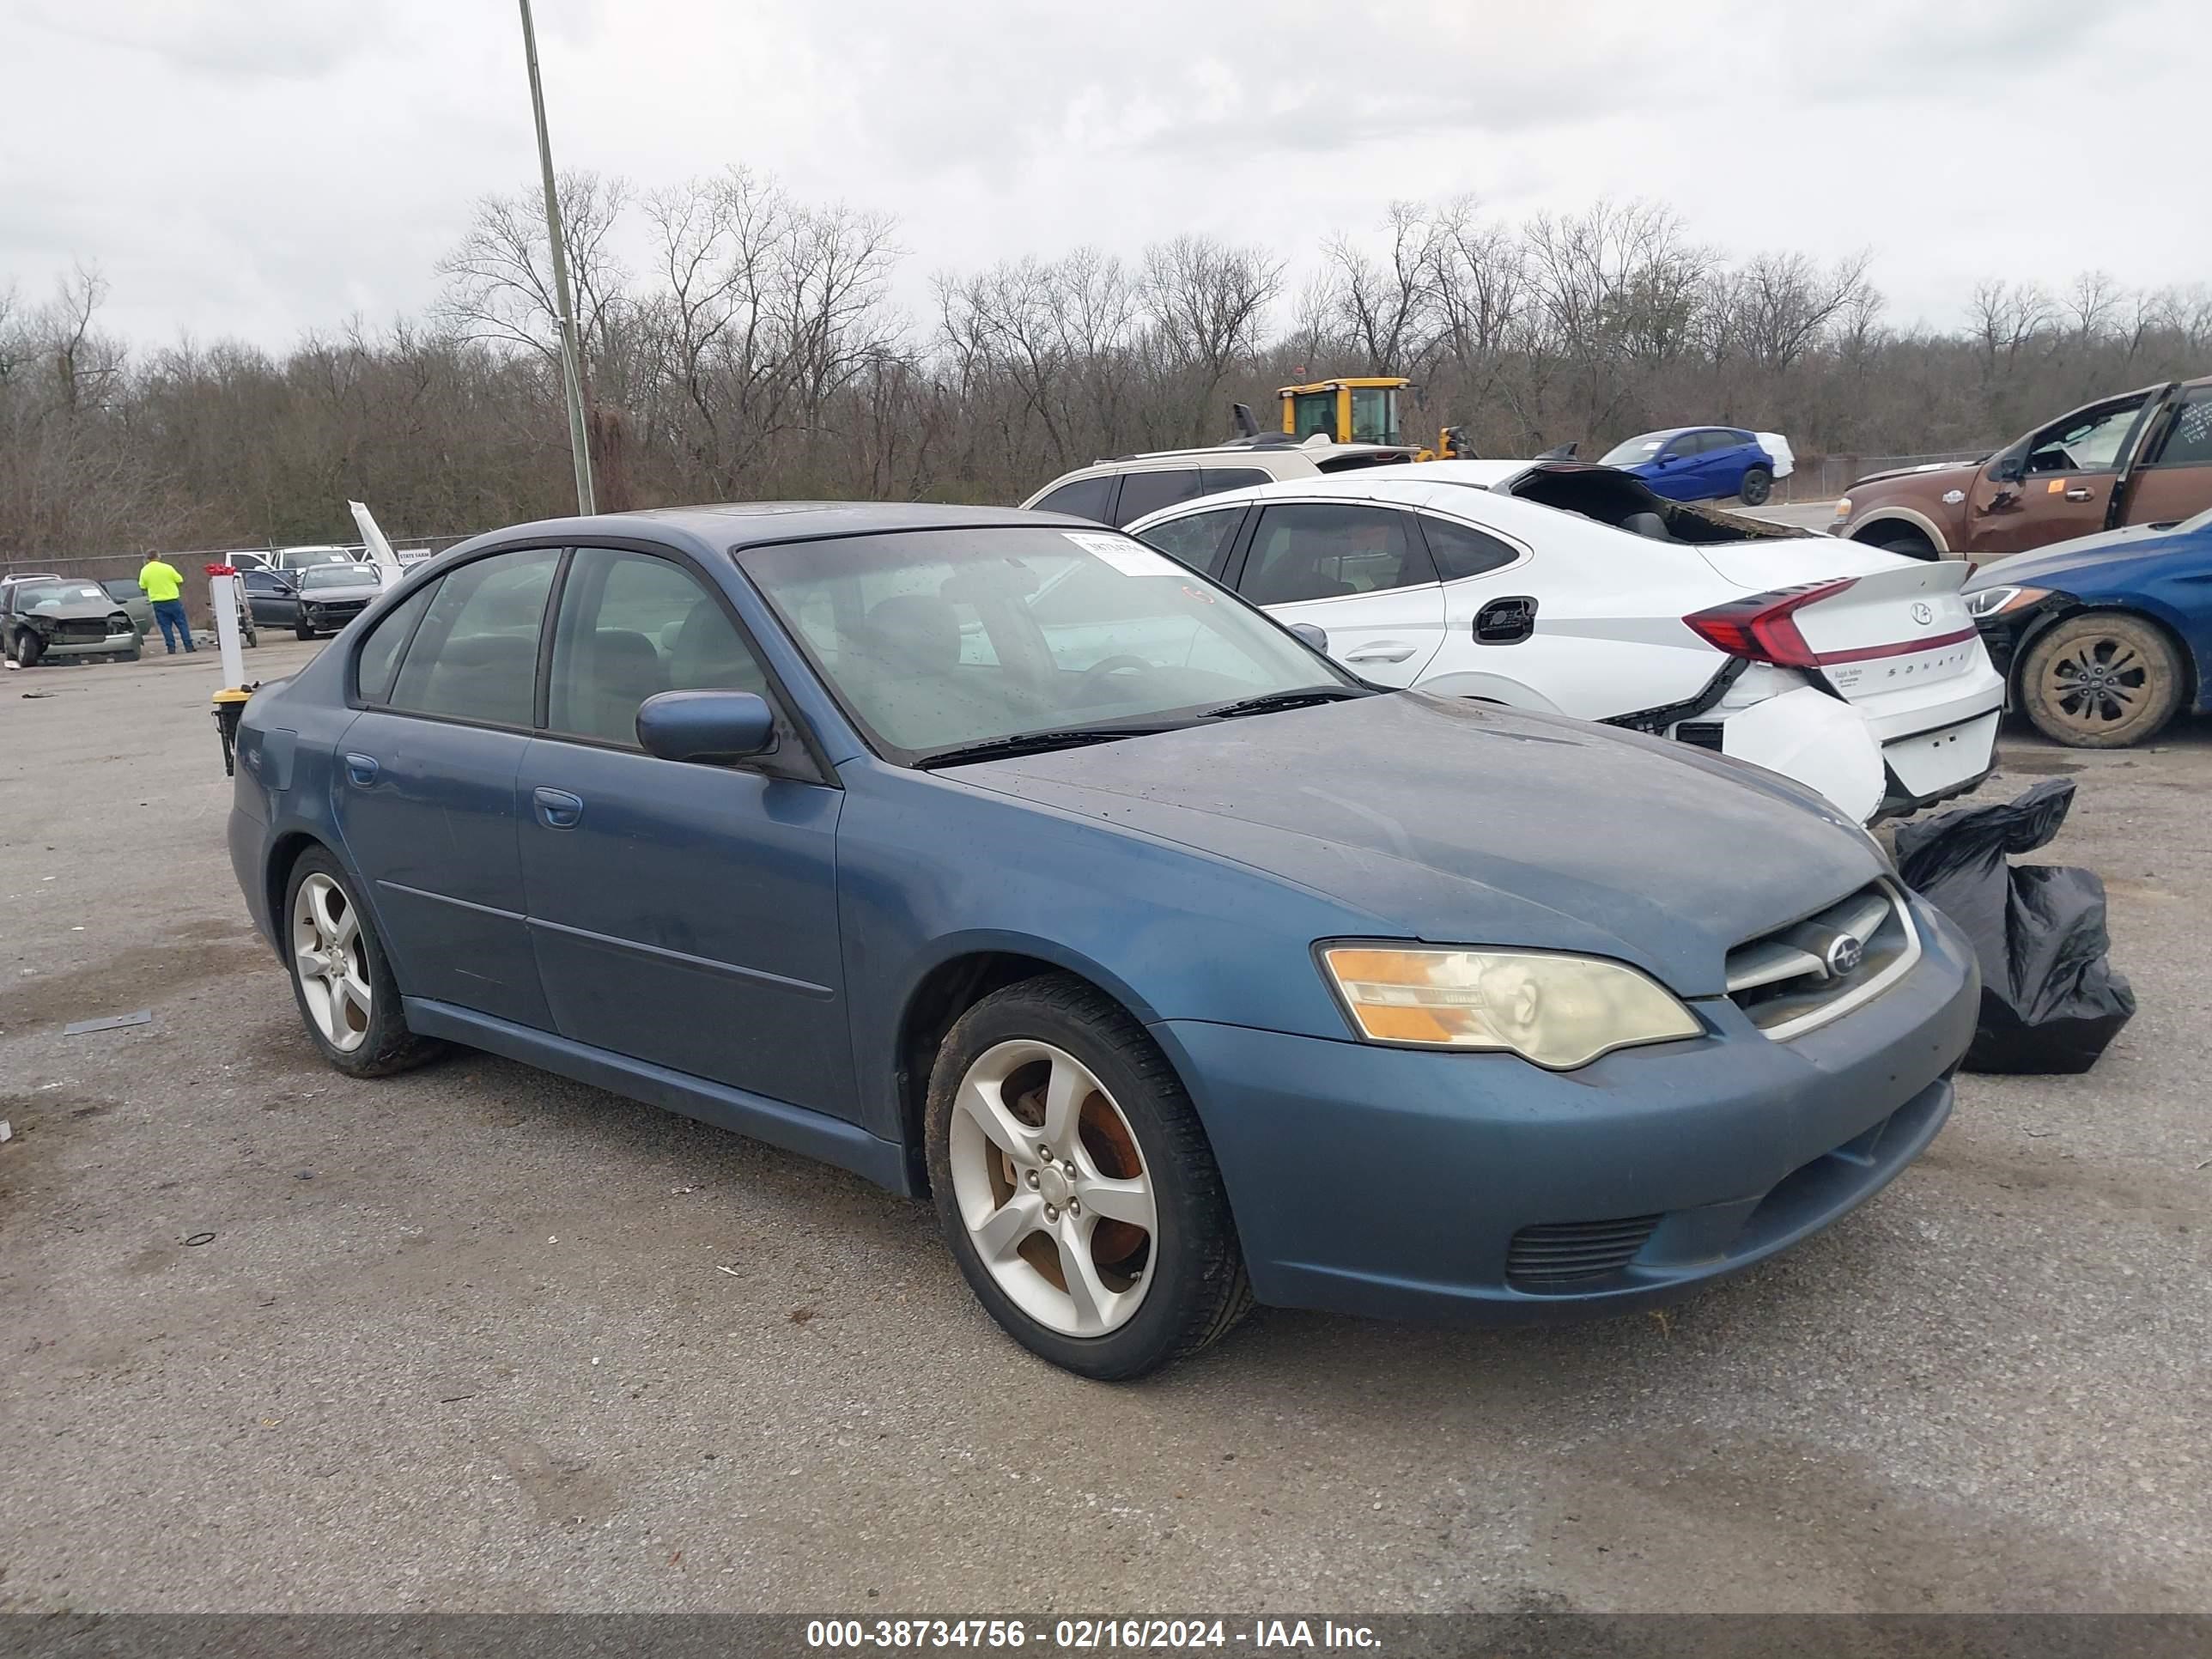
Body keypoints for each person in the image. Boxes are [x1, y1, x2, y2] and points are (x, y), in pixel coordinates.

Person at [137, 553, 195, 654]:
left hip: (157, 602)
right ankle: (188, 646)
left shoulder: (145, 570)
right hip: (172, 600)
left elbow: (142, 586)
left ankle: (171, 648)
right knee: (182, 624)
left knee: (165, 626)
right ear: (158, 557)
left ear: (147, 559)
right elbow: (180, 580)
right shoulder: (167, 567)